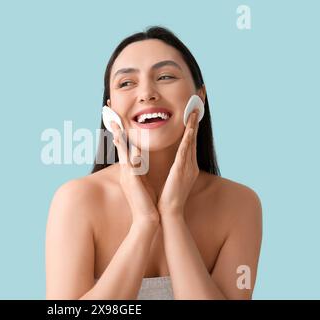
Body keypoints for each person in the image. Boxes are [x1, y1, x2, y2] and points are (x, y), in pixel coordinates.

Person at [46, 26, 262, 300]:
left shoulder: (240, 204)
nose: (147, 93)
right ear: (110, 111)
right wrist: (144, 224)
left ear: (200, 97)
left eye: (165, 76)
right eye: (127, 83)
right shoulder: (76, 200)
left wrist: (173, 215)